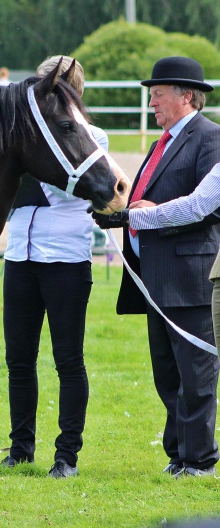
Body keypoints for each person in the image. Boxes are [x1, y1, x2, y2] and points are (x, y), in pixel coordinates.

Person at [93, 56, 220, 478]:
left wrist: (139, 216)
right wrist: (120, 215)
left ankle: (199, 460)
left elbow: (205, 209)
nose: (152, 104)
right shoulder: (162, 142)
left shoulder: (210, 139)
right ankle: (178, 454)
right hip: (157, 278)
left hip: (190, 277)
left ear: (187, 96)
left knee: (195, 375)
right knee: (167, 374)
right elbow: (143, 199)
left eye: (158, 95)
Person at [1, 56, 108, 479]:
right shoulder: (25, 138)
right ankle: (20, 448)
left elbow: (72, 188)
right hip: (19, 254)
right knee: (18, 359)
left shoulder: (91, 137)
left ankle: (67, 456)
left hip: (65, 256)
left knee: (68, 360)